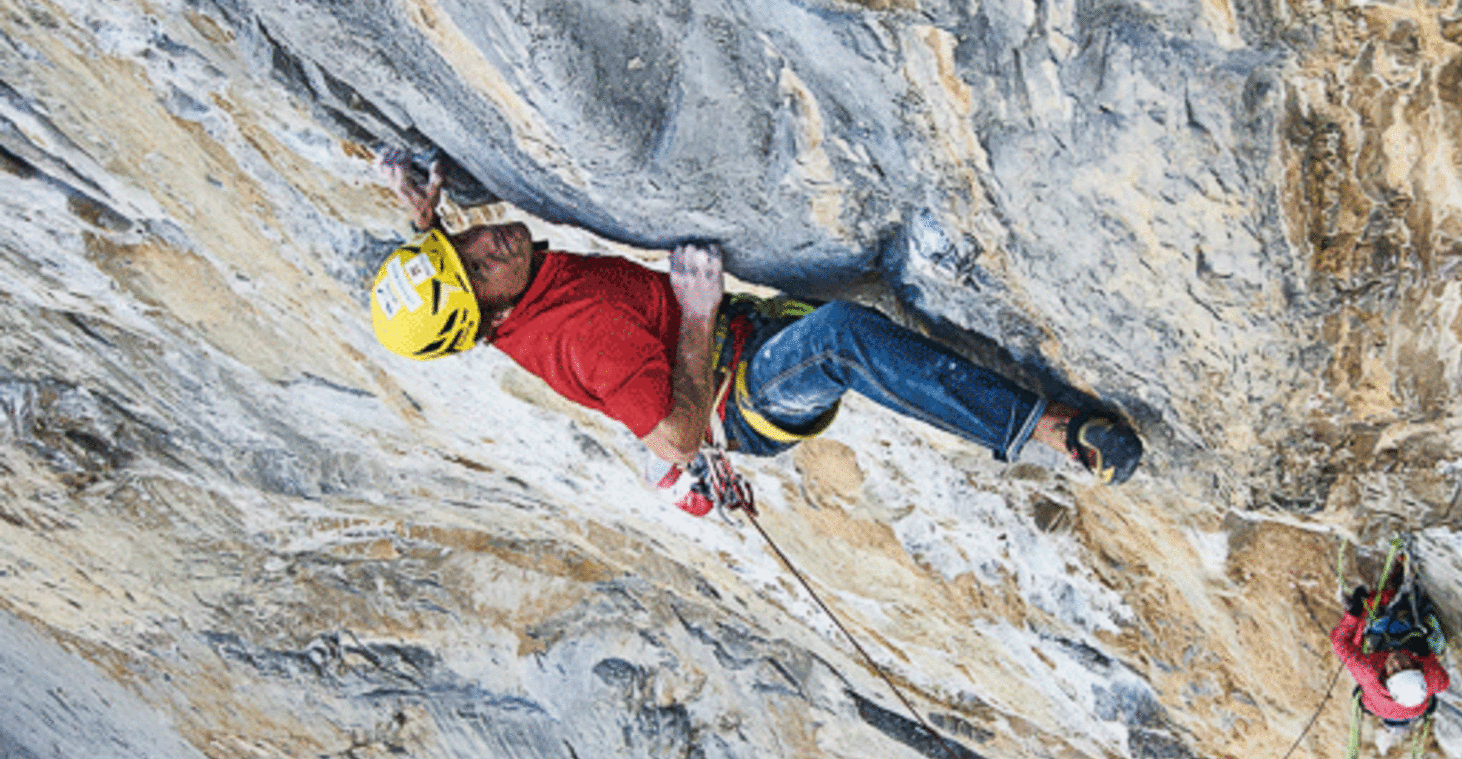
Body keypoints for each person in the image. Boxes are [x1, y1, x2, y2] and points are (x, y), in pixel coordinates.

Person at [368, 156, 1143, 510]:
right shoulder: (580, 335)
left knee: (836, 331)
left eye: (458, 246)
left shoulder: (507, 295)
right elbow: (675, 440)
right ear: (490, 316)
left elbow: (462, 277)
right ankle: (1047, 431)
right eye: (472, 267)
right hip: (736, 397)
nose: (486, 245)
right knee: (841, 339)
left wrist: (421, 210)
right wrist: (698, 311)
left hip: (739, 339)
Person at [1331, 585, 1450, 726]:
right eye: (1405, 666)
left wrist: (1354, 613)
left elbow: (1339, 642)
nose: (1397, 662)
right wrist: (1426, 655)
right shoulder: (1431, 679)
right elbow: (1443, 683)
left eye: (1393, 670)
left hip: (1378, 705)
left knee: (1377, 627)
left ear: (1386, 677)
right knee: (1435, 643)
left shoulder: (1368, 674)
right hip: (1412, 709)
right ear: (1418, 669)